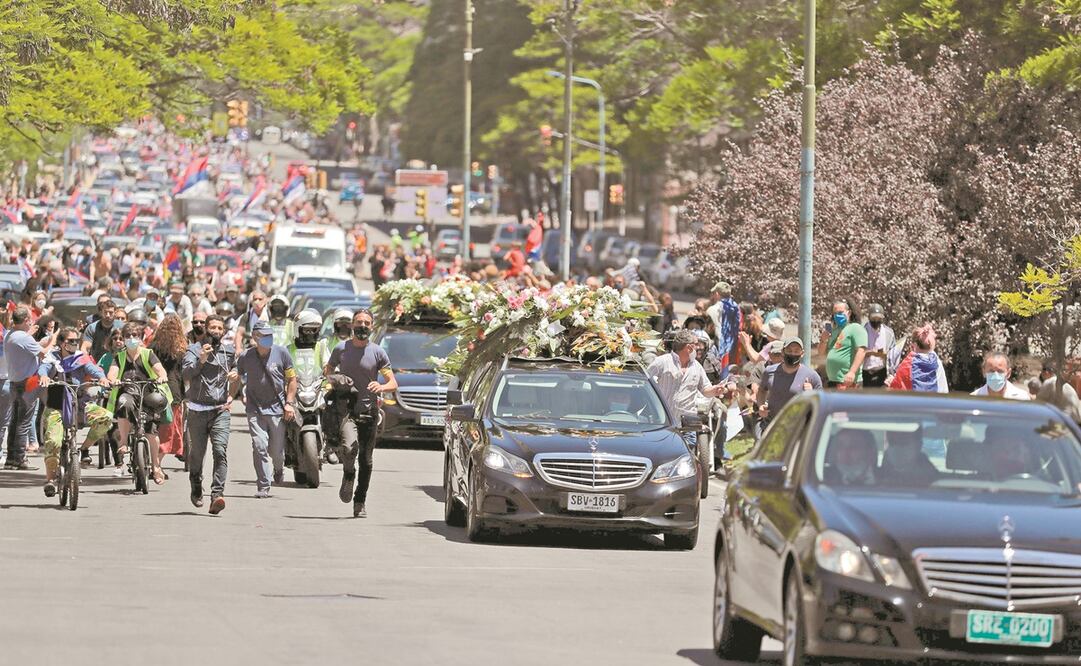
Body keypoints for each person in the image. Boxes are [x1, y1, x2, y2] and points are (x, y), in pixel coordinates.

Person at [324, 310, 398, 518]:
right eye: (359, 322)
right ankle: (348, 473)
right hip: (346, 410)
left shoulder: (378, 352)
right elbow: (328, 370)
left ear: (371, 327)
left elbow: (393, 382)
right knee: (349, 448)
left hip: (369, 411)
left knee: (366, 460)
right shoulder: (341, 349)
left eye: (366, 323)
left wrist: (380, 386)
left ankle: (360, 502)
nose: (362, 326)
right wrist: (335, 379)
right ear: (352, 325)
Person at [41, 327, 113, 496]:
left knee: (106, 418)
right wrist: (44, 376)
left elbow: (93, 369)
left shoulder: (81, 358)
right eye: (70, 341)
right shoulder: (52, 358)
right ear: (61, 343)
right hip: (56, 407)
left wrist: (102, 378)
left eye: (76, 341)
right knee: (54, 441)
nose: (74, 344)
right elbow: (43, 368)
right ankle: (50, 480)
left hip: (80, 404)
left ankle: (84, 449)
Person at [232, 321, 296, 498]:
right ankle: (263, 485)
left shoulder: (282, 353)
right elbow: (237, 376)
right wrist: (231, 396)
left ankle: (278, 468)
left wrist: (289, 403)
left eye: (270, 335)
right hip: (255, 408)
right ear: (255, 337)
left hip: (276, 409)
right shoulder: (246, 356)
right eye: (263, 336)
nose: (268, 339)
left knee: (276, 451)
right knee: (259, 446)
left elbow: (292, 379)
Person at [182, 314, 234, 514]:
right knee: (197, 455)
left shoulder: (228, 352)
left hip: (220, 410)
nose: (216, 332)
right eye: (213, 327)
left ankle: (216, 495)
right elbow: (186, 374)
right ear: (205, 328)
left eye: (220, 329)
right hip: (197, 410)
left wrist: (235, 379)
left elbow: (235, 371)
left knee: (220, 451)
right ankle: (196, 486)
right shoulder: (193, 350)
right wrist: (201, 361)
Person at [105, 322, 170, 482]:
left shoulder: (148, 354)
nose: (131, 339)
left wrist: (161, 377)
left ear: (141, 338)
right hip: (128, 393)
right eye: (128, 336)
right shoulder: (119, 356)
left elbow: (160, 369)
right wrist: (114, 381)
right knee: (123, 402)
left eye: (135, 336)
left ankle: (156, 467)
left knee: (151, 431)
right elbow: (112, 374)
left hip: (147, 394)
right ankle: (124, 442)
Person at [3, 306, 55, 470]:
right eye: (29, 320)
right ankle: (19, 459)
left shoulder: (10, 335)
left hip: (15, 382)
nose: (31, 322)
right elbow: (43, 353)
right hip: (27, 383)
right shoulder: (23, 338)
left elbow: (26, 346)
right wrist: (53, 339)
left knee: (15, 421)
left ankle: (12, 458)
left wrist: (33, 337)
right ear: (25, 320)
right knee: (23, 423)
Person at [646, 329, 728, 424]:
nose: (698, 347)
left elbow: (705, 389)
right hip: (664, 422)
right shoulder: (661, 362)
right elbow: (645, 383)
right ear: (689, 347)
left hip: (688, 423)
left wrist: (715, 390)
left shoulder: (697, 367)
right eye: (696, 344)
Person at [758, 337, 822, 427]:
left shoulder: (812, 376)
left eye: (796, 351)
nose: (793, 354)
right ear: (783, 352)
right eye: (789, 350)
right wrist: (761, 405)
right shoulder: (769, 371)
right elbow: (761, 390)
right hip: (771, 425)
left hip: (797, 429)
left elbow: (820, 405)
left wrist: (811, 394)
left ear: (802, 353)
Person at [152, 314, 188, 465]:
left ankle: (152, 461)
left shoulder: (154, 347)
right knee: (168, 430)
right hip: (174, 393)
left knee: (154, 428)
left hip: (154, 391)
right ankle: (157, 463)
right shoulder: (183, 348)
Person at [820, 298, 868, 389]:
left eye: (840, 312)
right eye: (835, 313)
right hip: (833, 381)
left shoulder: (856, 328)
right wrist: (823, 340)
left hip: (848, 382)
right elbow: (821, 353)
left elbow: (862, 351)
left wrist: (852, 372)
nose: (837, 315)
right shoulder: (833, 331)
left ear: (848, 313)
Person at [888, 324, 948, 392]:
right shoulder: (937, 363)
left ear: (915, 345)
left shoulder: (908, 364)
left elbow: (897, 389)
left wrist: (891, 382)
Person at [705, 282, 741, 378]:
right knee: (731, 378)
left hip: (718, 349)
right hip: (734, 348)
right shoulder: (737, 308)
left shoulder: (712, 309)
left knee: (720, 379)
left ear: (717, 294)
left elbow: (708, 331)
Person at [1035, 360, 1081, 425]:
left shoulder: (1048, 383)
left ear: (1046, 372)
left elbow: (1038, 405)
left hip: (1064, 421)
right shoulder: (1062, 383)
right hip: (1075, 421)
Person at [862, 303, 895, 388]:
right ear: (869, 317)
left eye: (879, 318)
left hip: (882, 373)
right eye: (874, 318)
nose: (876, 321)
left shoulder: (889, 333)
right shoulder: (862, 331)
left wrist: (891, 375)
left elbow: (893, 356)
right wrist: (872, 353)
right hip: (865, 374)